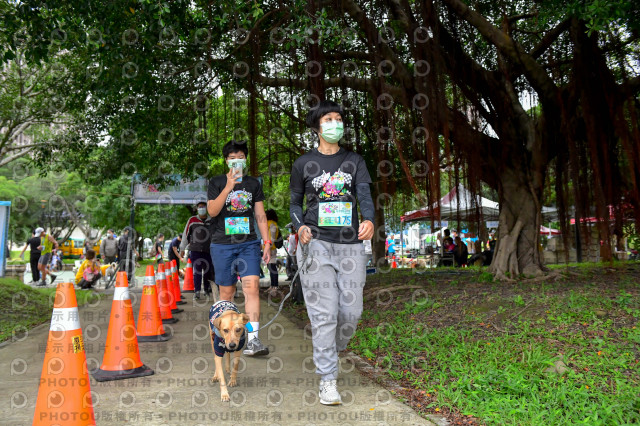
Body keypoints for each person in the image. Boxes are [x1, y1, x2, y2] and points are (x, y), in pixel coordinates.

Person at [290, 100, 375, 405]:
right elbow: (294, 204)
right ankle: (328, 379)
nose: (335, 123)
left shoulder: (354, 161)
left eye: (338, 119)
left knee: (351, 312)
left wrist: (369, 220)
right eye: (329, 119)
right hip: (317, 245)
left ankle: (331, 351)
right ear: (317, 126)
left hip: (351, 245)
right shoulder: (303, 164)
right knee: (324, 315)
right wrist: (300, 228)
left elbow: (364, 194)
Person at [207, 140, 272, 356]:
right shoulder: (216, 182)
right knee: (227, 292)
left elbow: (260, 215)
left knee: (252, 288)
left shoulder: (253, 184)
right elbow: (213, 211)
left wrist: (267, 241)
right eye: (232, 157)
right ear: (226, 160)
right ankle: (227, 337)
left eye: (240, 156)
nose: (236, 161)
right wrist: (228, 187)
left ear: (246, 159)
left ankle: (253, 340)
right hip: (222, 245)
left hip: (248, 243)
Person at [180, 201, 214, 300]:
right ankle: (197, 291)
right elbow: (185, 234)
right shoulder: (192, 220)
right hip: (195, 250)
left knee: (208, 271)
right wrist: (182, 248)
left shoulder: (212, 220)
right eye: (200, 207)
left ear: (207, 208)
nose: (202, 208)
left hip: (209, 250)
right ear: (197, 208)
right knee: (197, 271)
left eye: (203, 206)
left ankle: (206, 290)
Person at [264, 209, 281, 297]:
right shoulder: (270, 223)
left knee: (272, 267)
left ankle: (275, 286)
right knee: (270, 267)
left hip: (271, 249)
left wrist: (268, 248)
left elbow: (272, 237)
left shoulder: (271, 224)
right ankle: (272, 285)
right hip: (268, 248)